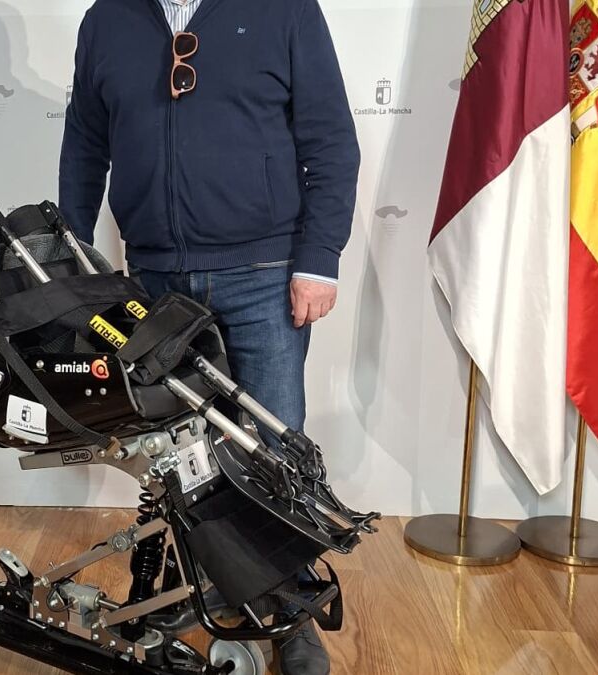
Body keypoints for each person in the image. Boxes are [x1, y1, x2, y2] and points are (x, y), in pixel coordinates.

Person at [60, 0, 359, 672]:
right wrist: (73, 254)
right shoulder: (105, 20)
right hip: (153, 279)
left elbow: (330, 139)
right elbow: (84, 143)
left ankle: (289, 611)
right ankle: (207, 584)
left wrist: (318, 258)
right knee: (181, 453)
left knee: (273, 453)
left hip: (262, 274)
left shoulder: (285, 10)